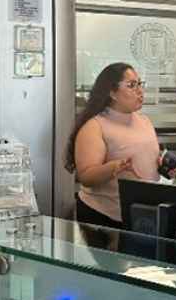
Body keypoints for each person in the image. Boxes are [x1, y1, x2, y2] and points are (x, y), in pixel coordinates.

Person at [65, 62, 162, 229]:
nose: (140, 91)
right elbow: (86, 176)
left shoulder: (144, 121)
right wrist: (114, 167)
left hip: (141, 214)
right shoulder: (94, 126)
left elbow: (148, 159)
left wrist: (163, 166)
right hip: (103, 218)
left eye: (140, 84)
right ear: (112, 92)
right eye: (132, 85)